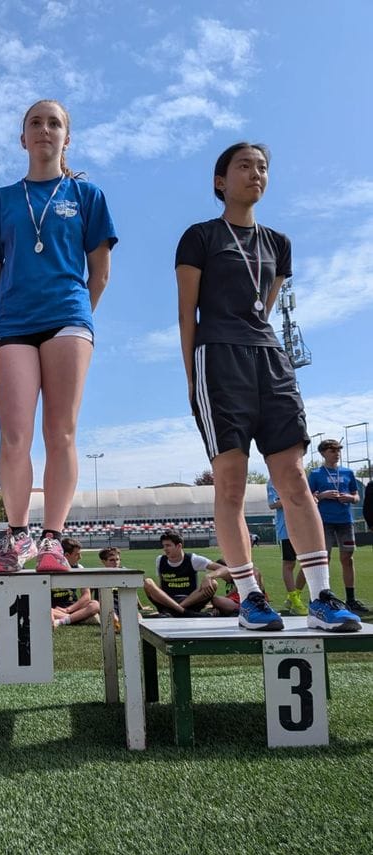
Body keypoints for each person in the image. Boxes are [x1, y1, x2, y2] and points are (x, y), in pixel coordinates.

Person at [175, 142, 360, 633]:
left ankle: (321, 596)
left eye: (262, 167)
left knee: (294, 478)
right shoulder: (199, 237)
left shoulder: (279, 243)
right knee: (232, 483)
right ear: (220, 181)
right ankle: (251, 597)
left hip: (270, 359)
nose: (255, 173)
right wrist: (193, 379)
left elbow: (265, 303)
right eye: (244, 166)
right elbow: (187, 313)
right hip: (218, 358)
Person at [0, 99, 117, 574]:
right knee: (14, 435)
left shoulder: (88, 195)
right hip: (13, 322)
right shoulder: (0, 200)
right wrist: (5, 317)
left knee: (62, 432)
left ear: (66, 137)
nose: (44, 129)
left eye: (54, 123)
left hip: (68, 319)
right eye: (35, 122)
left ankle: (52, 538)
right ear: (23, 138)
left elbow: (99, 272)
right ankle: (18, 535)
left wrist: (76, 317)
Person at [308, 439, 368, 613]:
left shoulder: (348, 472)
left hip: (345, 521)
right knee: (323, 560)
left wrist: (349, 498)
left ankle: (351, 600)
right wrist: (323, 495)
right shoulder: (315, 473)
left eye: (338, 450)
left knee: (347, 559)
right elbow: (310, 498)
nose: (337, 453)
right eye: (332, 450)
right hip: (324, 522)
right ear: (323, 453)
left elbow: (356, 496)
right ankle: (323, 598)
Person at [142, 532, 228, 617]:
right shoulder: (160, 560)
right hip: (168, 601)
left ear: (179, 546)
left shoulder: (193, 559)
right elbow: (161, 585)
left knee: (213, 583)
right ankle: (185, 612)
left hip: (190, 601)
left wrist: (209, 576)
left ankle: (175, 611)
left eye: (168, 545)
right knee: (148, 582)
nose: (165, 549)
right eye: (163, 546)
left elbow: (225, 568)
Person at [267, 478, 307, 615]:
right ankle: (295, 601)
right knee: (289, 564)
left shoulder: (300, 477)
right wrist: (294, 499)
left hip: (305, 527)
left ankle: (293, 597)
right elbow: (273, 504)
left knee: (310, 563)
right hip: (287, 529)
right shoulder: (273, 481)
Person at [50, 538, 101, 627]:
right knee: (44, 610)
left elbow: (86, 596)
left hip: (73, 608)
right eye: (77, 554)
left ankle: (63, 620)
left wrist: (68, 610)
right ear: (66, 555)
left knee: (95, 605)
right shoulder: (50, 569)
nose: (80, 557)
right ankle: (78, 618)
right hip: (54, 609)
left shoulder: (79, 568)